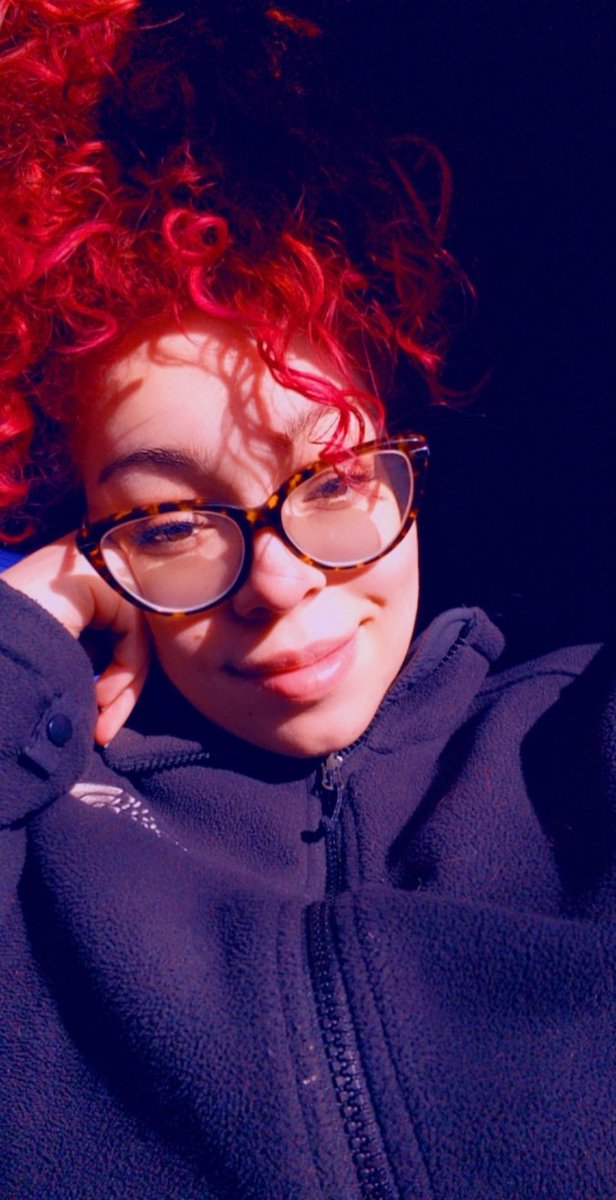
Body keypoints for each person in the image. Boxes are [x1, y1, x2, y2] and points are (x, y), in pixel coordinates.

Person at [0, 4, 614, 1199]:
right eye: (170, 523)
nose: (277, 585)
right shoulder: (41, 834)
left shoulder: (574, 733)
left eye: (329, 482)